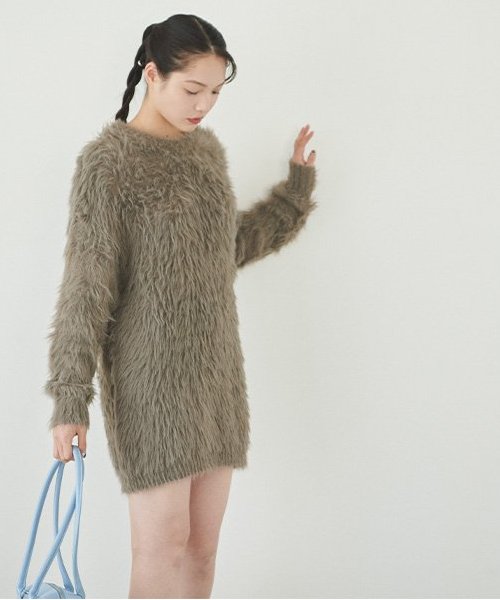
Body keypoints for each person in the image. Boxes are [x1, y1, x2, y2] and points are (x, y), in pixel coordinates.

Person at [44, 13, 318, 599]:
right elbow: (86, 287)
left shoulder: (205, 155)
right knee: (161, 547)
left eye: (215, 92)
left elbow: (227, 249)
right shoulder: (108, 164)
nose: (204, 106)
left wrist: (295, 194)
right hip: (151, 384)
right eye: (193, 89)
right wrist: (70, 398)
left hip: (217, 378)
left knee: (201, 549)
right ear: (153, 74)